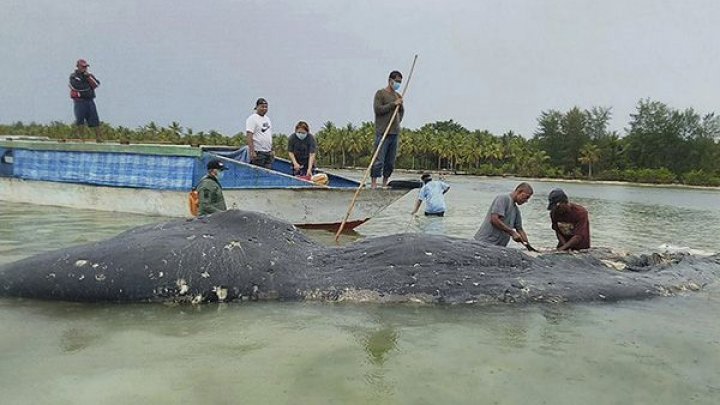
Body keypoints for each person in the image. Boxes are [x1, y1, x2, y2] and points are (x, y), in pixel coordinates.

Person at [371, 70, 404, 189]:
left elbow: (401, 112)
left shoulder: (398, 96)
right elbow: (378, 109)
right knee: (379, 160)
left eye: (400, 82)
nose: (398, 84)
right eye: (396, 81)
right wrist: (393, 104)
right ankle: (374, 183)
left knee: (390, 162)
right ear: (390, 81)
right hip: (382, 131)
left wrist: (397, 121)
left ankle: (385, 182)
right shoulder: (380, 94)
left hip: (394, 132)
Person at [474, 182, 534, 247]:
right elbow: (494, 219)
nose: (526, 201)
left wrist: (528, 246)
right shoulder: (503, 198)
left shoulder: (516, 210)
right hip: (484, 242)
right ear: (519, 191)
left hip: (499, 247)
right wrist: (512, 232)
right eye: (526, 197)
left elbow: (519, 229)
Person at [68, 59, 101, 141]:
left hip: (89, 100)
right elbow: (77, 87)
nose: (84, 68)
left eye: (86, 67)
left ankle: (98, 138)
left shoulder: (89, 76)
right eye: (83, 67)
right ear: (78, 67)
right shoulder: (73, 76)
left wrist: (88, 78)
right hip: (79, 101)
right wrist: (88, 88)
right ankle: (82, 138)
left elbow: (96, 84)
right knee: (80, 120)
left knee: (95, 120)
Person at [245, 98, 273, 169]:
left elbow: (268, 134)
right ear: (257, 107)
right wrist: (252, 151)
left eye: (266, 107)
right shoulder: (252, 119)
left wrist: (272, 149)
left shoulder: (267, 119)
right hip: (258, 152)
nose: (264, 109)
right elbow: (249, 135)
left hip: (268, 152)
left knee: (267, 172)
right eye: (262, 107)